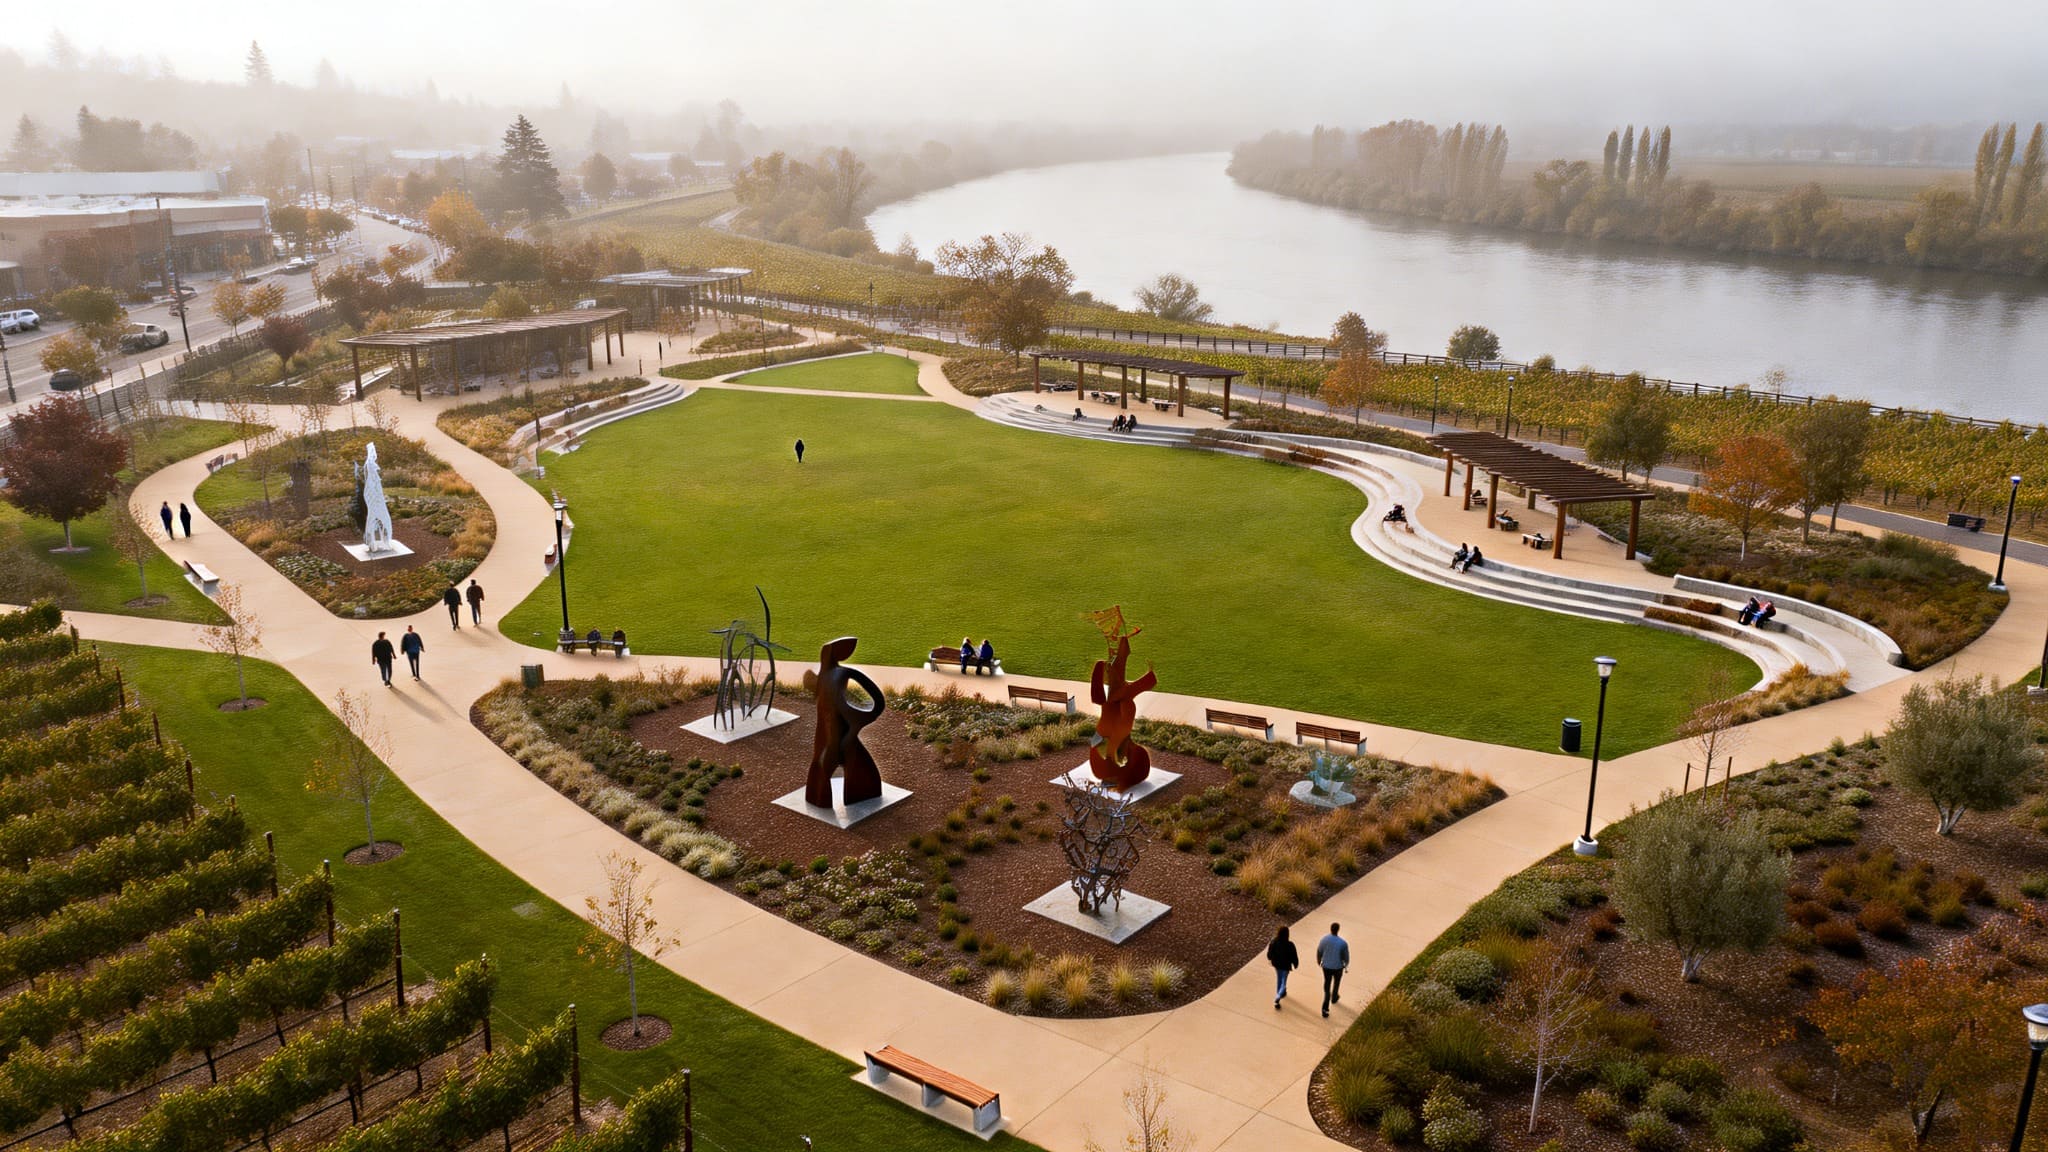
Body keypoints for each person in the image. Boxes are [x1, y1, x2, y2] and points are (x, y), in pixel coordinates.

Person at [1317, 923, 1350, 1018]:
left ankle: (1325, 1008)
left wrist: (1319, 960)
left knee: (1327, 986)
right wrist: (1346, 964)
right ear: (1338, 929)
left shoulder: (1324, 939)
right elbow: (1346, 957)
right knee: (1337, 982)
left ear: (1331, 929)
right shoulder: (1342, 943)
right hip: (1338, 967)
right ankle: (1334, 997)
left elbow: (1319, 951)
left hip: (1326, 967)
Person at [1267, 925, 1300, 1009]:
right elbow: (1294, 956)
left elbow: (1269, 953)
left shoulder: (1274, 942)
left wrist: (1270, 958)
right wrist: (1295, 964)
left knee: (1280, 978)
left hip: (1277, 964)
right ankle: (1277, 999)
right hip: (1285, 966)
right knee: (1283, 982)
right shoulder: (1290, 944)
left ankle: (1282, 992)